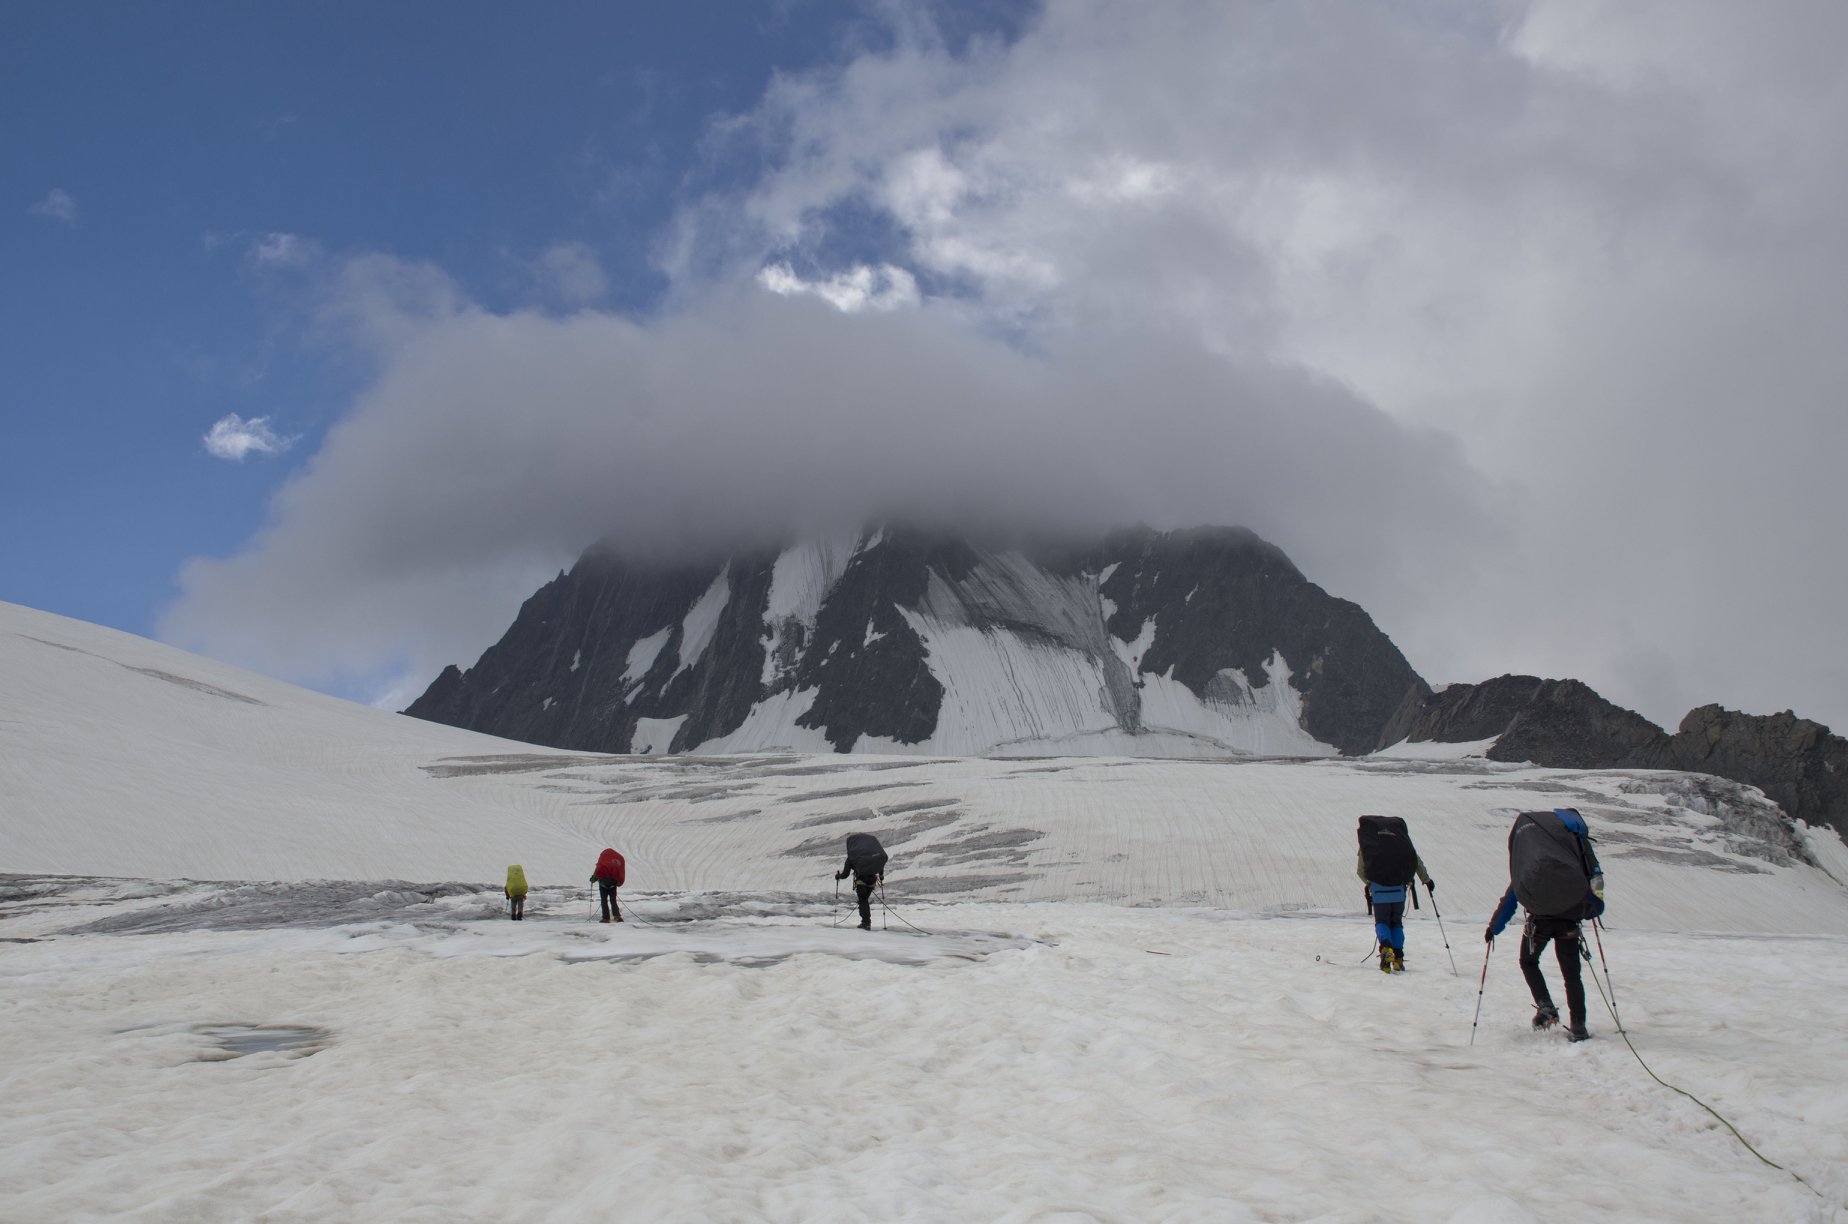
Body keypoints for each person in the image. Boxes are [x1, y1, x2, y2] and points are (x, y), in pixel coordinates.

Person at [1485, 808, 1606, 1041]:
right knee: (1572, 976)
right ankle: (1579, 1027)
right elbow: (1593, 885)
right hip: (1569, 919)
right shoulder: (1572, 859)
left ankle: (1546, 1007)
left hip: (1539, 922)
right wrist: (1592, 909)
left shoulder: (1531, 866)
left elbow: (1512, 898)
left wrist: (1494, 928)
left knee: (1528, 962)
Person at [1355, 815, 1435, 973]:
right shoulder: (1400, 841)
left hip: (1379, 890)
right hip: (1399, 889)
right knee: (1396, 923)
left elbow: (1360, 871)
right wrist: (1426, 880)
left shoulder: (1369, 844)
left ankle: (1386, 949)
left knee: (1382, 922)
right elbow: (1415, 860)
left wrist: (1371, 885)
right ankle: (1398, 957)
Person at [835, 832, 888, 931]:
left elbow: (845, 874)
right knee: (864, 901)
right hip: (872, 881)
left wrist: (838, 876)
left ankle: (866, 923)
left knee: (863, 901)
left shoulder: (852, 857)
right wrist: (881, 876)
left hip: (861, 882)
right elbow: (879, 866)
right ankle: (865, 921)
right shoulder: (872, 856)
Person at [591, 847, 625, 923]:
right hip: (613, 885)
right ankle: (617, 916)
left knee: (604, 901)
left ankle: (606, 918)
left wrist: (592, 880)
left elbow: (597, 873)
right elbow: (620, 873)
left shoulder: (602, 863)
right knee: (613, 901)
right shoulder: (615, 863)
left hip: (603, 885)